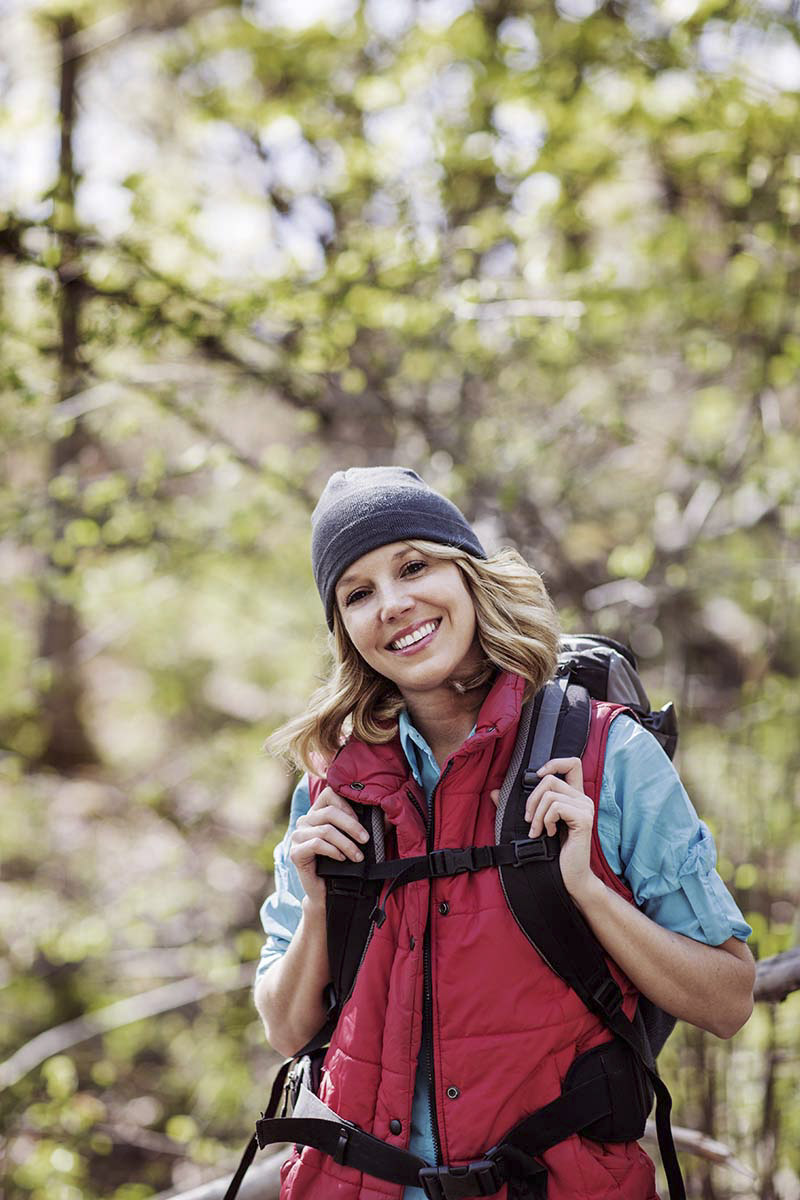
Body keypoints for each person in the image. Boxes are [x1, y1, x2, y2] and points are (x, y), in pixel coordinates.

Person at [254, 466, 755, 1200]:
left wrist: (585, 889)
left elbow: (728, 999)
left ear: (469, 577)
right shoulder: (333, 789)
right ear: (345, 631)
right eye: (357, 593)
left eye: (414, 566)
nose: (392, 604)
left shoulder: (606, 755)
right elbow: (285, 1029)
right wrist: (321, 903)